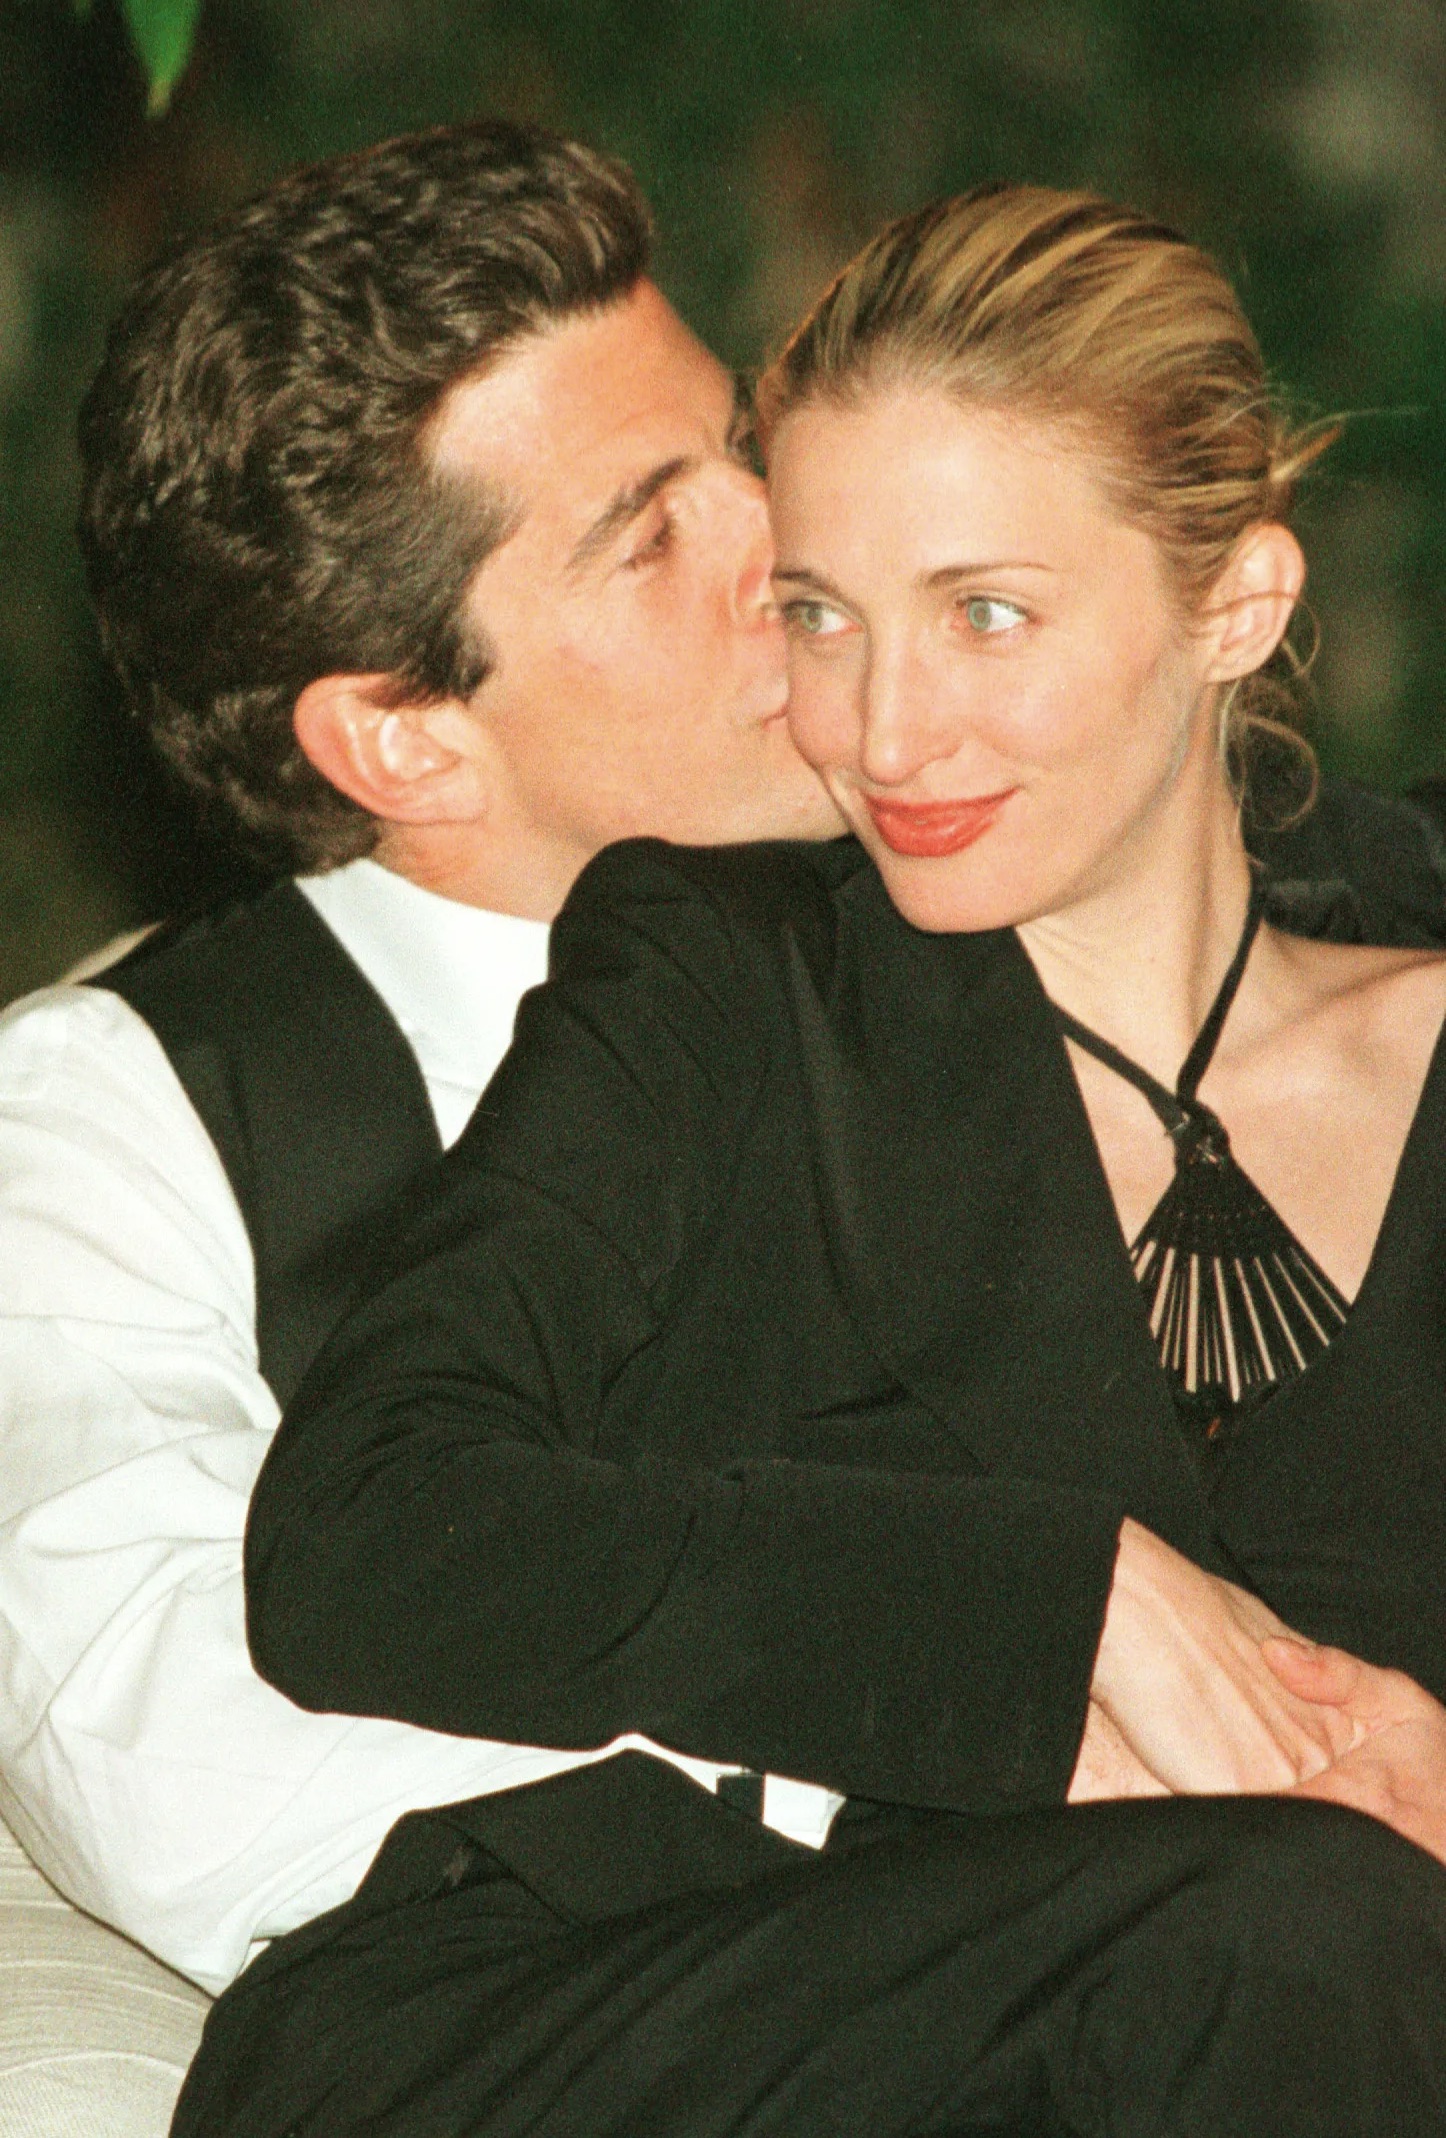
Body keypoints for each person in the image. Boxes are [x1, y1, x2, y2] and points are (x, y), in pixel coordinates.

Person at [174, 187, 1446, 2134]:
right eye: (820, 613)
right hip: (664, 2028)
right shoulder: (721, 980)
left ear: (1235, 606)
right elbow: (369, 1528)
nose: (878, 726)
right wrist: (1057, 1604)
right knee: (1305, 1922)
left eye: (985, 612)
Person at [0, 118, 842, 1995]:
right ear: (404, 740)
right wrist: (873, 1792)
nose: (784, 546)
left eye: (741, 448)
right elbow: (163, 1748)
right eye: (654, 534)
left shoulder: (989, 891)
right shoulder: (113, 1119)